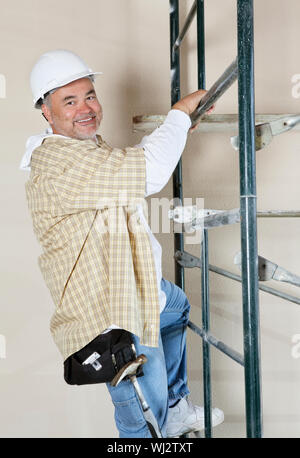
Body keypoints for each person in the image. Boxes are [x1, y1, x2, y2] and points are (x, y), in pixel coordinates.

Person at [21, 49, 224, 438]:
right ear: (45, 111)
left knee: (175, 305)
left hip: (134, 286)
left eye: (89, 95)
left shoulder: (83, 150)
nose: (86, 108)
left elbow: (123, 167)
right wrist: (179, 114)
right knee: (144, 425)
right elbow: (146, 173)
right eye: (69, 100)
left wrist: (173, 132)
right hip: (111, 307)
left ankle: (176, 408)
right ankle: (159, 426)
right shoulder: (60, 162)